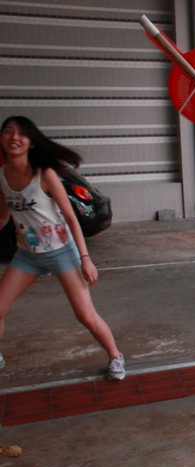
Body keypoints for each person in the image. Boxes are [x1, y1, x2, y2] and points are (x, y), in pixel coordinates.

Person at [0, 116, 125, 381]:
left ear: (31, 142)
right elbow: (3, 216)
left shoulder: (45, 174)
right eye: (8, 132)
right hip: (27, 256)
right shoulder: (2, 176)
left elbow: (70, 219)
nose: (14, 137)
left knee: (85, 315)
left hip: (62, 253)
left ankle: (115, 356)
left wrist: (85, 258)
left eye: (21, 133)